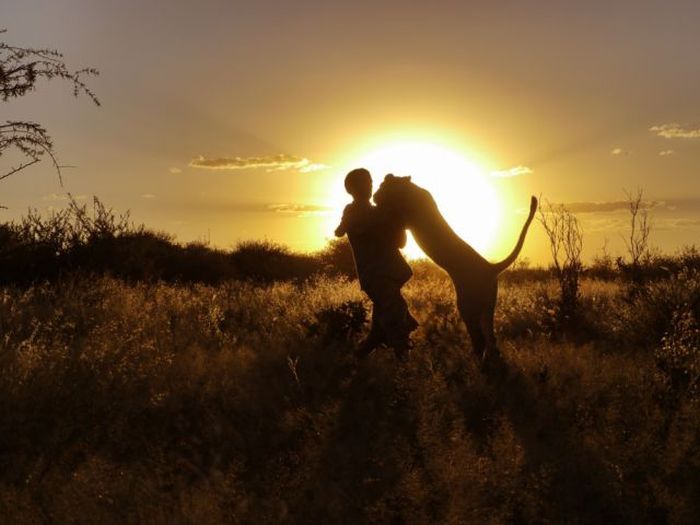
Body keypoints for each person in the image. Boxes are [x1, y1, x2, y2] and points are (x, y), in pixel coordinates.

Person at [334, 168, 417, 359]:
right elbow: (343, 230)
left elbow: (400, 242)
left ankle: (356, 362)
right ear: (352, 189)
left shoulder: (378, 212)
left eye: (370, 182)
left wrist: (394, 216)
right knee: (397, 320)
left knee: (379, 329)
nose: (369, 186)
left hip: (389, 273)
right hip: (376, 276)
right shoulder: (354, 211)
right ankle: (404, 372)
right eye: (364, 183)